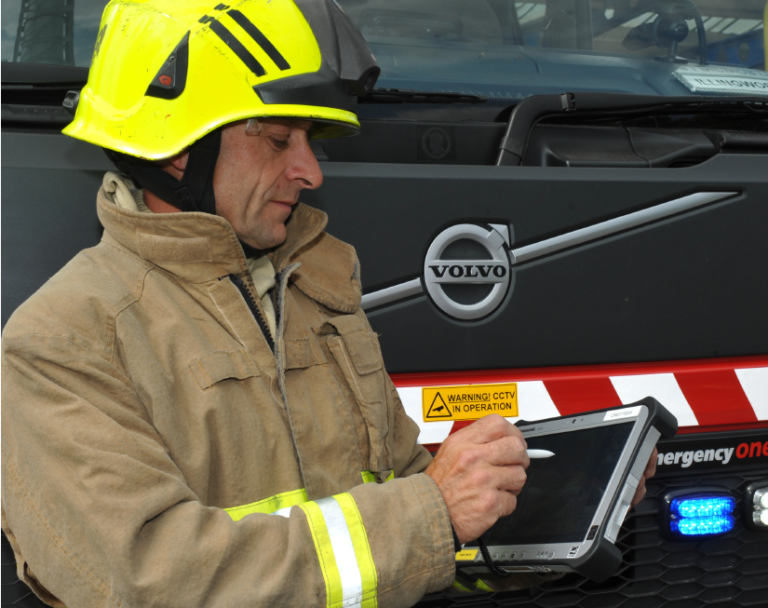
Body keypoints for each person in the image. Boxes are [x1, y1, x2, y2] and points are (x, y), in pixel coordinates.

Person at [1, 1, 657, 606]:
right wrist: (431, 512)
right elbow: (143, 578)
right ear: (177, 148)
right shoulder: (64, 342)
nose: (311, 172)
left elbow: (412, 540)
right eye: (279, 139)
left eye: (310, 143)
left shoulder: (311, 294)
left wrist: (562, 507)